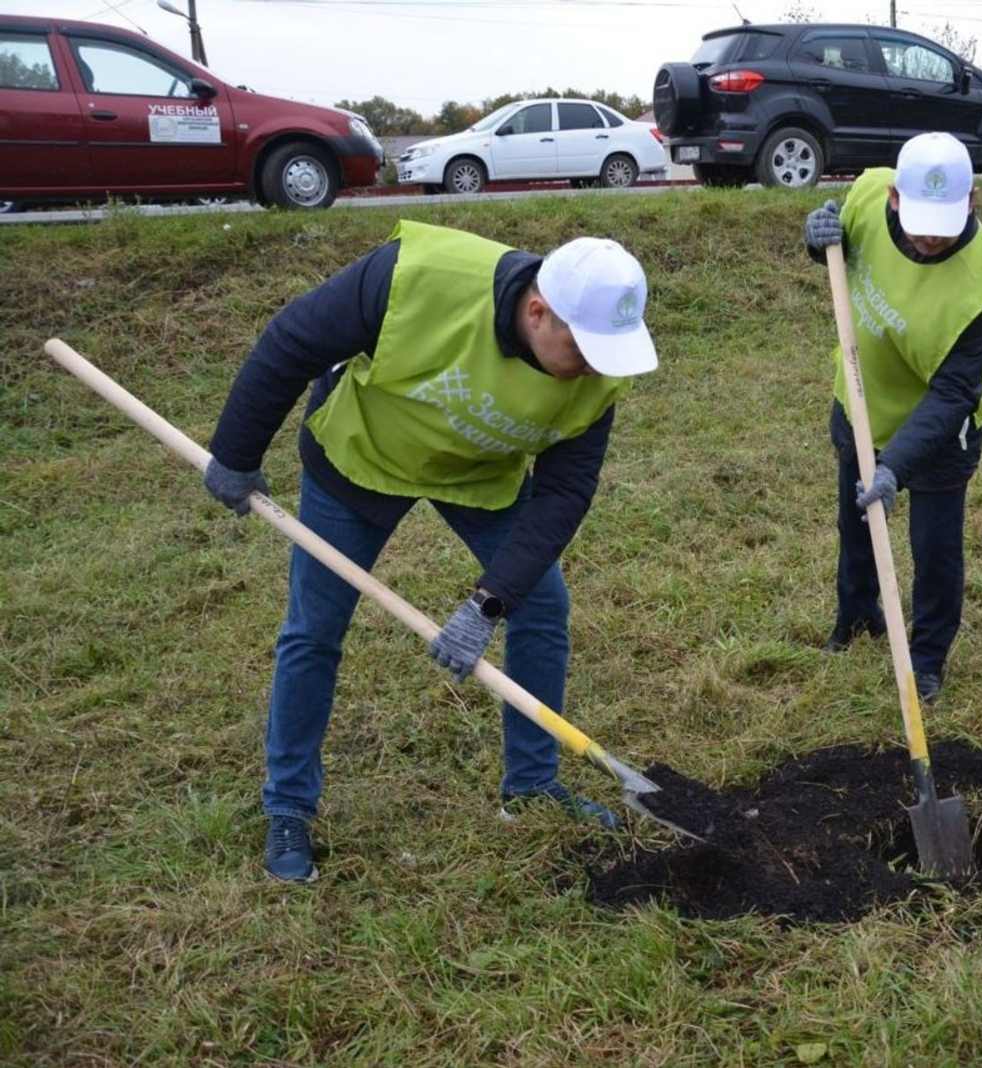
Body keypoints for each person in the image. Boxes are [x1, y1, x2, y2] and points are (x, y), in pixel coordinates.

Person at [203, 221, 658, 883]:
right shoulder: (417, 278)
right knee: (315, 630)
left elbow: (564, 493)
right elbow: (292, 341)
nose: (594, 367)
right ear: (537, 311)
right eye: (585, 349)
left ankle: (530, 787)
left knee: (541, 605)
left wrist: (489, 601)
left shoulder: (599, 372)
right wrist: (235, 456)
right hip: (361, 460)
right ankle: (289, 808)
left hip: (479, 476)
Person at [803, 131, 982, 702]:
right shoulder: (868, 195)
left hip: (941, 427)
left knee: (934, 545)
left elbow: (953, 392)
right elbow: (838, 247)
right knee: (857, 523)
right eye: (920, 221)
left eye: (945, 224)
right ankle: (857, 616)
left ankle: (926, 659)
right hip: (863, 400)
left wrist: (894, 466)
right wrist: (818, 238)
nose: (929, 240)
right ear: (895, 197)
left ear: (971, 202)